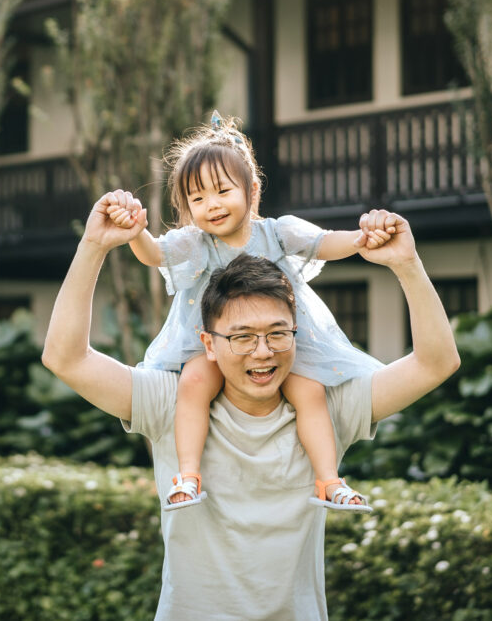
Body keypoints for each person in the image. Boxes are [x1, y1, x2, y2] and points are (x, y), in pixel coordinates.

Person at [41, 200, 460, 620]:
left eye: (278, 333)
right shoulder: (172, 403)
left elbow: (436, 363)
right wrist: (93, 245)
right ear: (208, 344)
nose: (263, 352)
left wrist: (407, 264)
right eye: (242, 337)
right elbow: (66, 358)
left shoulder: (326, 406)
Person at [104, 113, 391, 512]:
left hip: (275, 342)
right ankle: (187, 475)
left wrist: (363, 238)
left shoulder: (276, 231)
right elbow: (154, 254)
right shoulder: (195, 242)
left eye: (222, 191)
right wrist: (135, 231)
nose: (211, 205)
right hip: (210, 345)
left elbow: (325, 243)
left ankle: (329, 480)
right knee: (192, 384)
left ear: (252, 191)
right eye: (197, 198)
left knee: (308, 392)